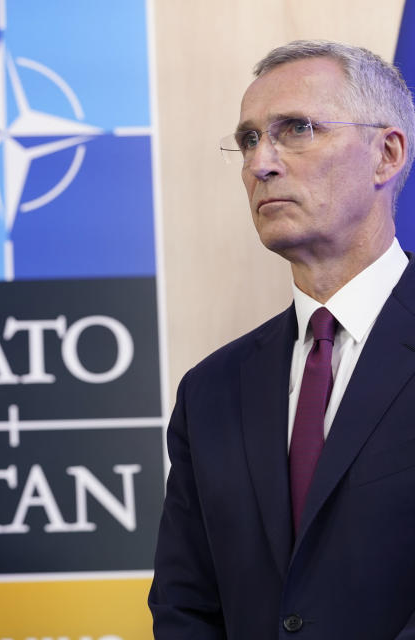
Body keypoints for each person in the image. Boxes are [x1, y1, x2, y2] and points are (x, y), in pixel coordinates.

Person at [149, 40, 415, 639]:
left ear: (386, 154)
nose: (259, 163)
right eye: (248, 139)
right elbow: (184, 607)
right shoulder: (211, 391)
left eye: (296, 129)